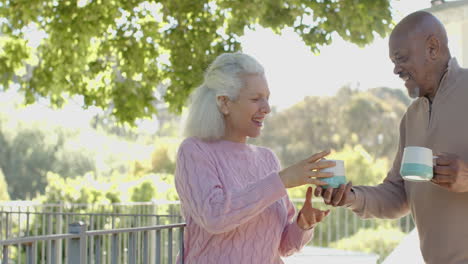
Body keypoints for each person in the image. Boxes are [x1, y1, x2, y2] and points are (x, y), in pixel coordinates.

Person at [314, 11, 468, 263]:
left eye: (402, 58)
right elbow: (398, 195)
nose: (396, 69)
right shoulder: (411, 118)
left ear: (432, 48)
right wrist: (352, 196)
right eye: (393, 61)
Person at [175, 52, 335, 263]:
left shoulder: (267, 158)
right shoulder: (194, 151)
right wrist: (282, 180)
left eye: (267, 98)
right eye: (255, 99)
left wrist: (302, 224)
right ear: (224, 103)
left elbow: (284, 246)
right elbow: (214, 216)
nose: (267, 108)